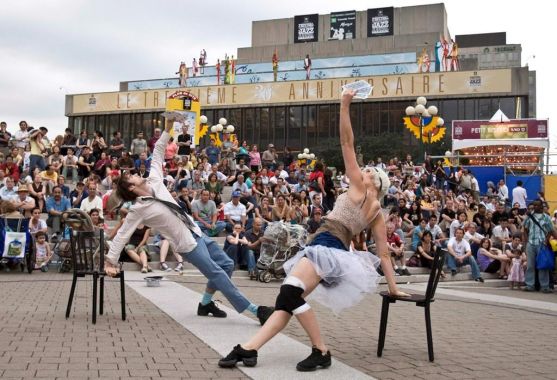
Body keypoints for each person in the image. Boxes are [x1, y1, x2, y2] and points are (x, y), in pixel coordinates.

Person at [219, 89, 408, 371]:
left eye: (368, 172)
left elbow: (346, 141)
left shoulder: (360, 187)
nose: (362, 171)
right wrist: (394, 288)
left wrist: (344, 103)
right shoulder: (377, 213)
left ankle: (321, 350)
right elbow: (383, 254)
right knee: (286, 301)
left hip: (326, 246)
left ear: (374, 183)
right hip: (331, 249)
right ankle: (249, 349)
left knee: (289, 295)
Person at [104, 114, 273, 324]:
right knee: (218, 273)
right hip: (187, 244)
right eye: (131, 176)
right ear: (131, 186)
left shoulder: (154, 179)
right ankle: (256, 311)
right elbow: (121, 235)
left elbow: (157, 152)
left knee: (227, 265)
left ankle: (205, 304)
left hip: (196, 232)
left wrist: (168, 128)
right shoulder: (139, 209)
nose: (136, 173)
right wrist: (110, 261)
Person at [522, 199, 557, 293]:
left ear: (542, 206)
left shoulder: (546, 217)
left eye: (537, 205)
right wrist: (526, 242)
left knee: (543, 265)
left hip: (542, 244)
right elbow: (524, 229)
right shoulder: (529, 217)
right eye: (534, 205)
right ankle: (530, 285)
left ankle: (544, 286)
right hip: (531, 243)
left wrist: (547, 239)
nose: (535, 207)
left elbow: (551, 230)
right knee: (530, 265)